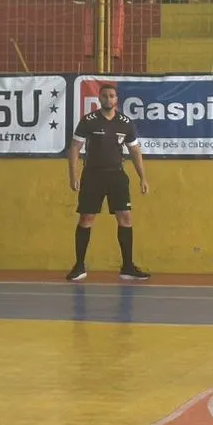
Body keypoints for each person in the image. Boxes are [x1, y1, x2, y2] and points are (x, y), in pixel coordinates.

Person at [66, 81, 150, 282]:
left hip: (117, 176)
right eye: (104, 96)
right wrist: (73, 175)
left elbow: (134, 150)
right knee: (87, 218)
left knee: (126, 218)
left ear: (116, 99)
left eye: (112, 96)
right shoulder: (89, 121)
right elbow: (75, 148)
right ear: (99, 98)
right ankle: (79, 266)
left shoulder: (125, 122)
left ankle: (128, 267)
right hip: (93, 175)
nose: (108, 99)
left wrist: (143, 178)